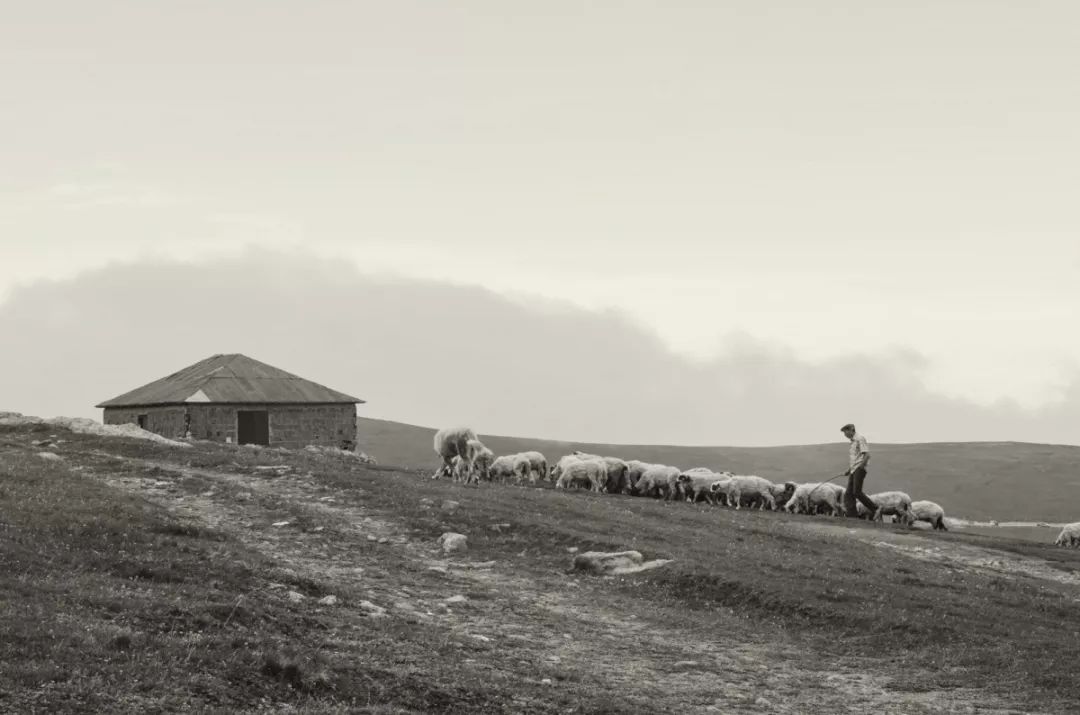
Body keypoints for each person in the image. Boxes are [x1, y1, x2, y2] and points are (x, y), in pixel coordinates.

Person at [841, 423, 877, 518]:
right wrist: (849, 470)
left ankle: (876, 509)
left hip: (859, 469)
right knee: (848, 494)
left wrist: (861, 467)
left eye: (846, 432)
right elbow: (855, 458)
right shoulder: (852, 442)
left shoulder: (860, 439)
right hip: (853, 470)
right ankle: (852, 516)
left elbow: (867, 455)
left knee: (857, 492)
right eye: (844, 433)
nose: (845, 435)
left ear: (851, 430)